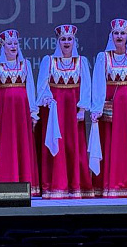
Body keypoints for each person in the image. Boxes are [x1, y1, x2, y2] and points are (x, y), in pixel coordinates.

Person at [35, 24, 94, 199]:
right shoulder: (49, 61)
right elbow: (42, 85)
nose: (66, 42)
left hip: (73, 110)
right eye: (63, 39)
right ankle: (54, 185)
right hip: (55, 112)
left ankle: (75, 186)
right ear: (58, 41)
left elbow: (86, 87)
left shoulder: (81, 61)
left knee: (73, 145)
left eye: (69, 39)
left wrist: (82, 109)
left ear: (74, 41)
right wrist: (47, 99)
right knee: (56, 145)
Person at [90, 19, 127, 198]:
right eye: (116, 33)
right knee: (112, 143)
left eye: (122, 33)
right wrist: (96, 107)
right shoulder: (104, 57)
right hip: (112, 108)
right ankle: (111, 185)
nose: (119, 36)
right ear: (111, 36)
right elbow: (98, 83)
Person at [0, 29, 40, 196]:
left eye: (15, 43)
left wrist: (33, 112)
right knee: (6, 143)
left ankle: (25, 183)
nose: (13, 46)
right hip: (4, 111)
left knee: (22, 143)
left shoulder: (25, 64)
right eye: (9, 43)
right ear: (3, 46)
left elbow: (30, 88)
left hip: (21, 111)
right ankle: (4, 182)